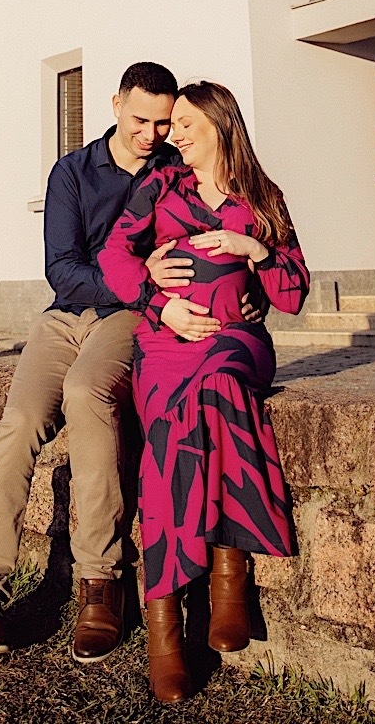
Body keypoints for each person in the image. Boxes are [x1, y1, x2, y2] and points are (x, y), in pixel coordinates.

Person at [0, 61, 180, 664]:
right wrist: (136, 279)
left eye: (162, 123)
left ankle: (101, 582)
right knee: (18, 423)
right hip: (64, 317)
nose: (151, 134)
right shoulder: (72, 172)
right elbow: (62, 269)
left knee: (86, 393)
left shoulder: (174, 173)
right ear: (116, 105)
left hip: (128, 319)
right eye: (141, 120)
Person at [99, 79, 309, 704]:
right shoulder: (161, 187)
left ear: (220, 126)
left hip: (235, 340)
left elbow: (293, 293)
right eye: (175, 125)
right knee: (170, 429)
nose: (176, 135)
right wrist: (156, 299)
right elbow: (113, 254)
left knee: (218, 384)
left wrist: (256, 250)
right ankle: (165, 629)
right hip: (165, 344)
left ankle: (227, 575)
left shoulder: (263, 195)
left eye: (187, 123)